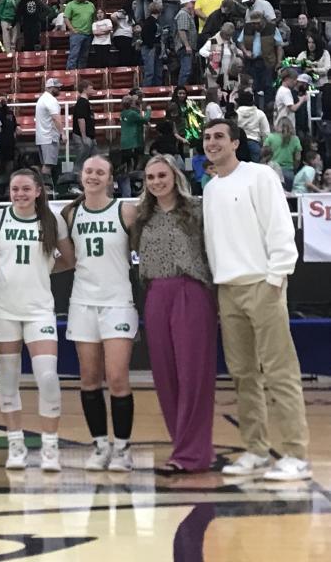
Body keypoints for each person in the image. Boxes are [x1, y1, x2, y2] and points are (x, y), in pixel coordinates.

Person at [201, 119, 311, 481]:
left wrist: (276, 277)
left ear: (235, 142)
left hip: (263, 285)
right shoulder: (212, 188)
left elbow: (280, 227)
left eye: (219, 137)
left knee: (280, 371)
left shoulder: (260, 176)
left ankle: (296, 452)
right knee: (243, 374)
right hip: (228, 290)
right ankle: (256, 448)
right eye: (207, 138)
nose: (212, 143)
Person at [130, 156, 217, 474]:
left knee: (193, 374)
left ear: (174, 176)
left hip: (190, 291)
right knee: (165, 376)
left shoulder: (196, 210)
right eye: (150, 177)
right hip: (155, 293)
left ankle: (191, 455)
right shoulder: (143, 216)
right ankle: (184, 447)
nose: (155, 181)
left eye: (161, 175)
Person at [0, 169, 76, 471]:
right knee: (9, 380)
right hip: (4, 309)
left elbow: (69, 259)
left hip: (39, 309)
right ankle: (16, 444)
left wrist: (41, 271)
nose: (20, 194)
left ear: (38, 191)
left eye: (26, 189)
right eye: (15, 189)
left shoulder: (52, 220)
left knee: (48, 378)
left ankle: (50, 446)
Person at [61, 157, 140, 472]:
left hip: (118, 301)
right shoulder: (69, 213)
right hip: (82, 301)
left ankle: (122, 448)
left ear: (110, 179)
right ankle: (100, 445)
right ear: (81, 176)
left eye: (100, 172)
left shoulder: (126, 211)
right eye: (89, 171)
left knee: (118, 378)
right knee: (89, 378)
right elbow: (64, 257)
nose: (93, 176)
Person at [35, 79, 64, 175]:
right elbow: (56, 118)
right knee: (48, 165)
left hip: (42, 137)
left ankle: (46, 188)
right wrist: (62, 133)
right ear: (50, 87)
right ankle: (46, 189)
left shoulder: (42, 98)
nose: (59, 89)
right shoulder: (51, 100)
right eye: (57, 87)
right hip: (49, 137)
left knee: (46, 164)